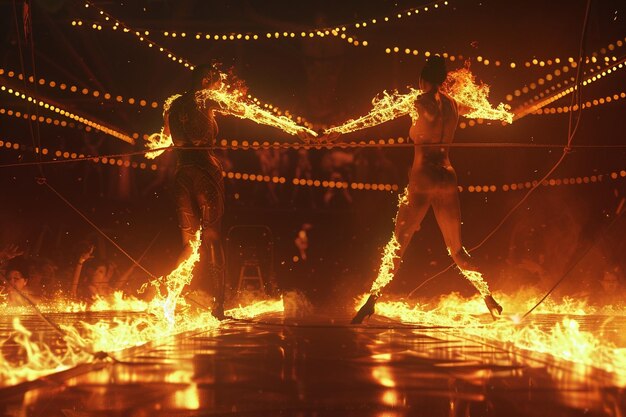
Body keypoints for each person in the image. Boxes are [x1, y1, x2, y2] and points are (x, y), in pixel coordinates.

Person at [349, 56, 503, 322]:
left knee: (397, 244)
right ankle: (488, 297)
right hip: (447, 177)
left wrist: (338, 132)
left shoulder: (416, 102)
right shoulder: (455, 105)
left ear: (422, 79)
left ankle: (373, 299)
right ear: (443, 80)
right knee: (457, 250)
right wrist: (507, 115)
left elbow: (374, 118)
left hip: (423, 179)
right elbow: (488, 112)